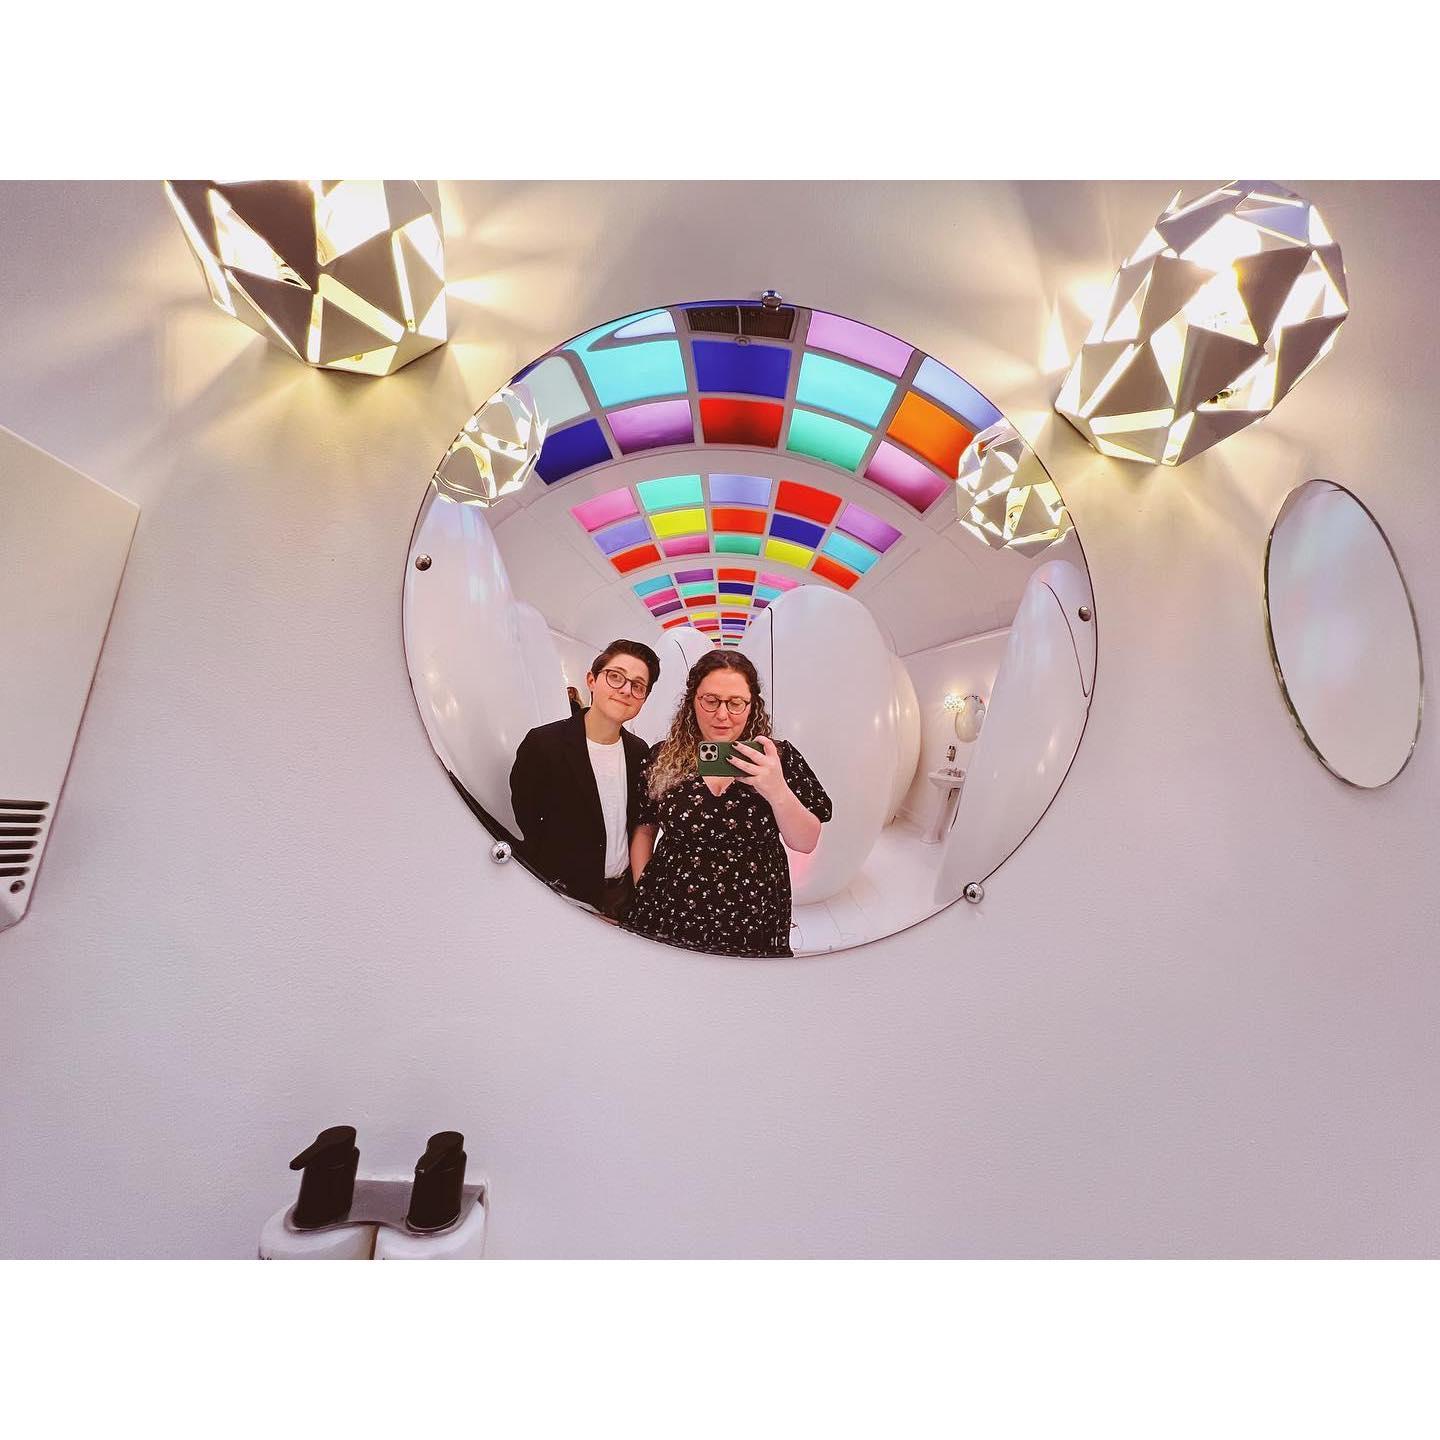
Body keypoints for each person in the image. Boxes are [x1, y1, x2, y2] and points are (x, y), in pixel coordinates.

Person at [623, 651, 832, 958]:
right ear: (692, 701)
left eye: (735, 703)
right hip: (671, 907)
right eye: (710, 700)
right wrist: (645, 888)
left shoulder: (778, 758)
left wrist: (777, 789)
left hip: (754, 915)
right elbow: (644, 829)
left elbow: (806, 842)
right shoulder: (662, 757)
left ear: (752, 705)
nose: (722, 715)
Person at [509, 639, 659, 920]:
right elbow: (527, 816)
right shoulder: (544, 744)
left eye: (638, 686)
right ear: (591, 680)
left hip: (621, 896)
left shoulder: (639, 752)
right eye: (616, 677)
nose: (626, 690)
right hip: (562, 894)